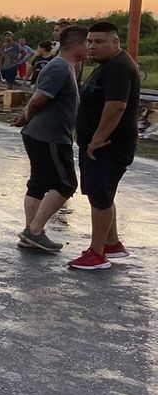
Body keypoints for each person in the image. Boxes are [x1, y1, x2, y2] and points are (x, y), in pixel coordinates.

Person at [68, 22, 142, 270]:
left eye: (99, 42)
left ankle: (97, 253)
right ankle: (112, 243)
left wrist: (97, 138)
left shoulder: (118, 68)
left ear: (116, 42)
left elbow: (116, 106)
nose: (92, 46)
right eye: (89, 41)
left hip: (109, 145)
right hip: (100, 143)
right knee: (103, 193)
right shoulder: (108, 66)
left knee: (100, 195)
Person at [12, 25, 87, 254]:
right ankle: (34, 231)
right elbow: (38, 99)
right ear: (76, 45)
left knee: (39, 184)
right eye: (88, 43)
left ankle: (32, 233)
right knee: (66, 184)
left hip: (43, 134)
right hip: (49, 135)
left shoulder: (66, 66)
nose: (90, 47)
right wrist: (25, 116)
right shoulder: (60, 67)